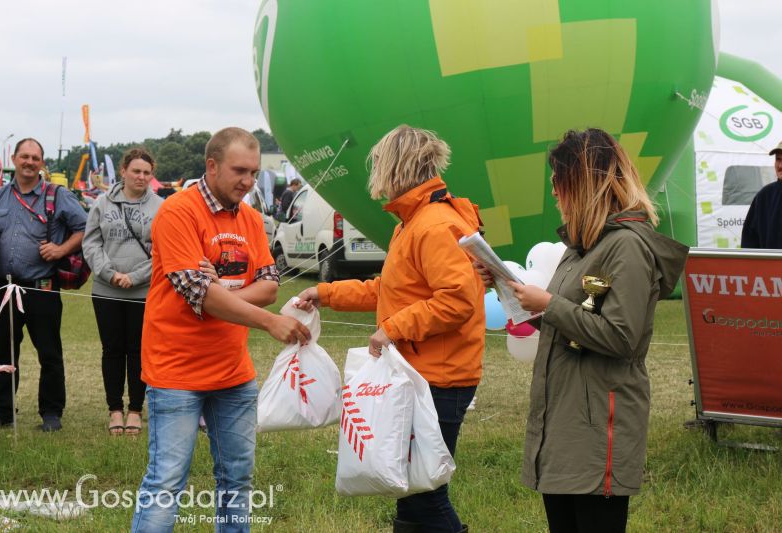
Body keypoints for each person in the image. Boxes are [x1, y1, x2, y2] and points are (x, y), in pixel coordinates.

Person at [478, 128, 688, 532]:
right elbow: (569, 320)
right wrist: (506, 287)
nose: (554, 193)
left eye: (559, 181)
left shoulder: (626, 246)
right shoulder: (583, 248)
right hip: (567, 421)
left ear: (585, 181)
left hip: (598, 428)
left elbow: (620, 337)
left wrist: (549, 303)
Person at [296, 125, 484, 533]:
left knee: (426, 496)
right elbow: (390, 289)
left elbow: (457, 300)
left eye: (378, 162)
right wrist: (325, 293)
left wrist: (393, 329)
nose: (374, 170)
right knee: (412, 493)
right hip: (423, 374)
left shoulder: (433, 225)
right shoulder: (413, 222)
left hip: (437, 378)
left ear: (398, 166)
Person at [130, 127, 310, 532]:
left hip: (233, 373)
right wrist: (252, 314)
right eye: (239, 171)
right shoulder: (178, 212)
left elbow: (269, 285)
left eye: (253, 172)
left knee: (237, 481)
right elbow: (202, 294)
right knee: (166, 483)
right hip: (176, 373)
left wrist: (215, 295)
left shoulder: (249, 217)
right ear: (211, 166)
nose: (247, 181)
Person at [0, 138, 87, 432]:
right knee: (3, 353)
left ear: (42, 162)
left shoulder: (57, 195)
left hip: (42, 288)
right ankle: (1, 410)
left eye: (35, 158)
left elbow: (86, 227)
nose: (29, 162)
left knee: (49, 353)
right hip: (3, 289)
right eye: (24, 156)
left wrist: (61, 249)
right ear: (14, 159)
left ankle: (51, 413)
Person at [82, 148, 163, 436]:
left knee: (139, 352)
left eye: (146, 172)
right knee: (112, 350)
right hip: (107, 290)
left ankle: (136, 410)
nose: (141, 176)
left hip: (144, 292)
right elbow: (91, 243)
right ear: (123, 171)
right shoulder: (102, 203)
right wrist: (111, 274)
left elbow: (166, 252)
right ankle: (115, 409)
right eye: (136, 171)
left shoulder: (161, 207)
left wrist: (135, 277)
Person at [740, 140, 782, 249]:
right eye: (778, 159)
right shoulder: (765, 195)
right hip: (770, 265)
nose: (780, 165)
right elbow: (749, 240)